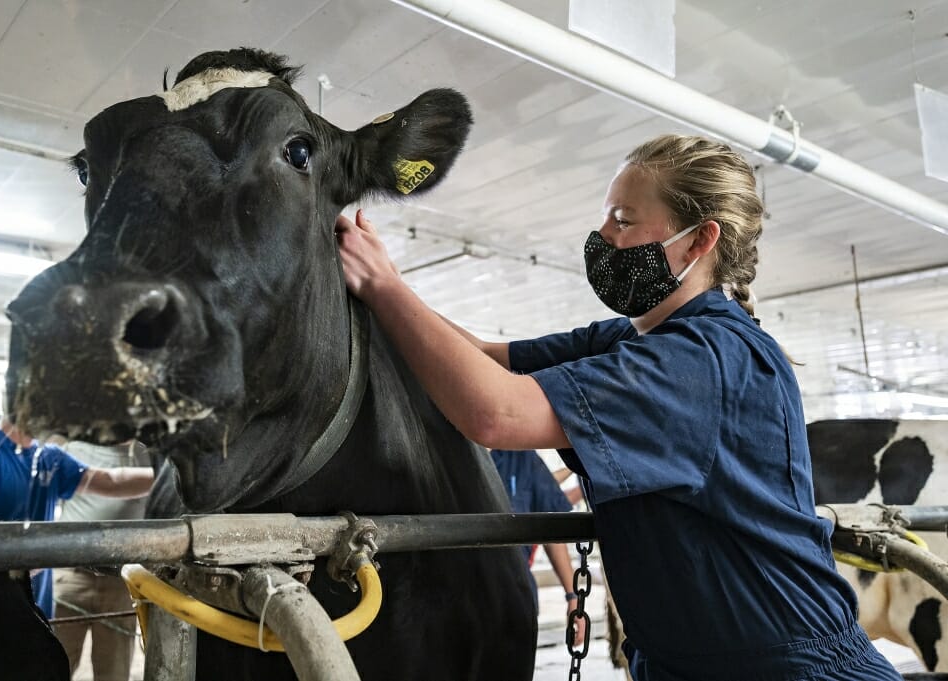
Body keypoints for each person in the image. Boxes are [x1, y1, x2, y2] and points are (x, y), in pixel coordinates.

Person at [335, 134, 902, 680]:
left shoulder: (701, 360)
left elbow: (497, 413)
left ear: (699, 240)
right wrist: (371, 282)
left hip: (783, 669)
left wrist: (385, 287)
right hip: (689, 662)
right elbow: (480, 356)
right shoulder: (631, 338)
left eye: (623, 221)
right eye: (607, 216)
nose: (601, 235)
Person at [0, 419, 154, 620]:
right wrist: (34, 550)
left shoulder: (50, 458)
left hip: (32, 610)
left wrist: (168, 476)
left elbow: (111, 481)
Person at [53, 440, 151, 681]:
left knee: (114, 672)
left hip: (121, 582)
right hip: (70, 577)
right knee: (53, 664)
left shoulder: (150, 456)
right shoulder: (69, 450)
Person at [490, 448, 586, 647]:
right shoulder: (448, 452)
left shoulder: (521, 458)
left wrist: (572, 596)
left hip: (515, 595)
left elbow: (549, 522)